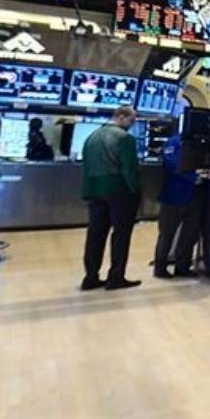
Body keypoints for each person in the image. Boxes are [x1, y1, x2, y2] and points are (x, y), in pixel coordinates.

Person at [80, 106, 143, 291]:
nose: (132, 125)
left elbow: (86, 166)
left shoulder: (92, 137)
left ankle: (91, 277)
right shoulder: (125, 139)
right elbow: (129, 169)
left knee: (95, 235)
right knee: (121, 235)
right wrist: (137, 191)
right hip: (119, 191)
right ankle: (116, 277)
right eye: (131, 120)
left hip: (94, 190)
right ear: (121, 117)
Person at [154, 135, 205, 279]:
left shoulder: (199, 140)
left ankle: (183, 266)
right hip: (173, 195)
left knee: (190, 234)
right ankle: (160, 267)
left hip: (194, 195)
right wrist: (194, 178)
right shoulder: (173, 142)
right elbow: (173, 165)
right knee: (167, 234)